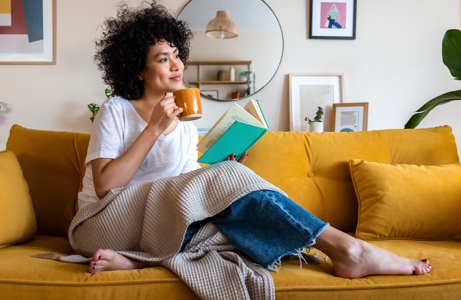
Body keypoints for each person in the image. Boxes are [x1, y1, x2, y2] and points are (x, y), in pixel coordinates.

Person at [78, 1, 431, 279]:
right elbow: (107, 186)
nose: (176, 65)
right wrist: (153, 129)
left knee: (232, 218)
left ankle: (139, 262)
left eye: (177, 54)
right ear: (138, 70)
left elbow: (183, 188)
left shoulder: (184, 124)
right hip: (102, 223)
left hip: (156, 224)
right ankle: (349, 249)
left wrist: (221, 172)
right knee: (230, 210)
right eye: (162, 58)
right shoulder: (117, 110)